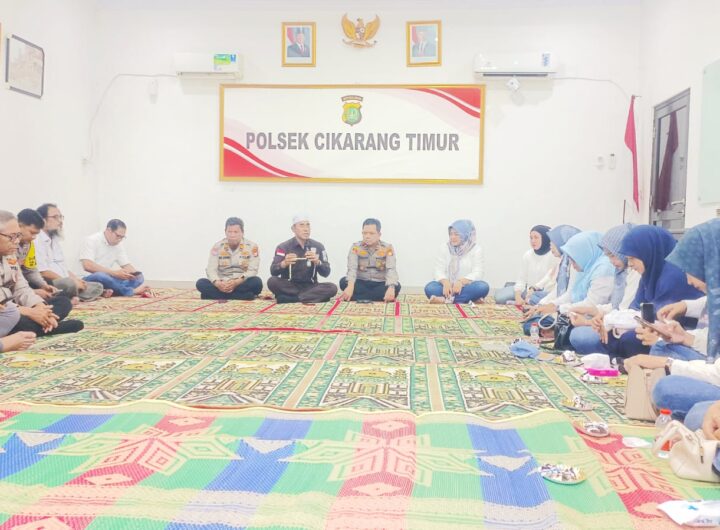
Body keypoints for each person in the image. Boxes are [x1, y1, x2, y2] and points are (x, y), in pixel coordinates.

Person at [623, 219, 720, 419]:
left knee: (667, 389)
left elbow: (716, 373)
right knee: (662, 347)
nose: (688, 280)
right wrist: (685, 338)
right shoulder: (715, 297)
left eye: (690, 269)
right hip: (712, 368)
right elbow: (714, 347)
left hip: (715, 375)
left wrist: (666, 363)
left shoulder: (673, 279)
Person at [0, 210, 83, 339]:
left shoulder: (10, 255)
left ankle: (42, 323)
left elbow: (21, 287)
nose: (16, 241)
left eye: (18, 235)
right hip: (7, 311)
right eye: (11, 237)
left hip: (15, 305)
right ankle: (48, 328)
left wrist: (39, 307)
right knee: (13, 317)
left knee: (63, 302)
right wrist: (30, 312)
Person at [568, 224, 641, 353]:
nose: (611, 261)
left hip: (627, 326)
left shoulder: (635, 271)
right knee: (576, 332)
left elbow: (626, 311)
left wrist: (588, 321)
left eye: (613, 255)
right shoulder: (622, 271)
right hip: (615, 321)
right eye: (608, 256)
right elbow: (616, 306)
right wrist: (593, 311)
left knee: (581, 336)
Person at [34, 203, 104, 302]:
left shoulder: (55, 240)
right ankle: (71, 296)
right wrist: (71, 281)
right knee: (70, 285)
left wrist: (76, 279)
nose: (60, 221)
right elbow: (43, 272)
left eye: (61, 217)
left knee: (97, 286)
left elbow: (64, 267)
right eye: (55, 217)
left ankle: (73, 295)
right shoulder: (36, 240)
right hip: (49, 281)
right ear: (43, 220)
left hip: (64, 280)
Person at [268, 214, 337, 304]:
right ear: (293, 229)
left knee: (332, 288)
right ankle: (311, 297)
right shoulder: (283, 247)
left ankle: (293, 299)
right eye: (301, 225)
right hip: (290, 286)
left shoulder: (318, 246)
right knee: (272, 281)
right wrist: (284, 263)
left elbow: (326, 273)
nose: (306, 229)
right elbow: (273, 271)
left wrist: (318, 262)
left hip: (311, 286)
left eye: (308, 225)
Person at [195, 217, 263, 300]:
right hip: (222, 282)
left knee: (257, 282)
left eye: (236, 232)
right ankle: (243, 296)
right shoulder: (217, 247)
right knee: (200, 283)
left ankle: (214, 295)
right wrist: (217, 283)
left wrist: (236, 282)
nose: (232, 235)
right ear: (225, 232)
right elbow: (211, 269)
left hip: (241, 282)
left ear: (242, 232)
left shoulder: (252, 247)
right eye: (229, 232)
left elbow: (253, 270)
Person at [424, 220, 489, 304]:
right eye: (451, 234)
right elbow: (438, 270)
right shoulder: (444, 247)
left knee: (482, 287)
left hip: (466, 286)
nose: (452, 237)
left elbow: (478, 272)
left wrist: (461, 282)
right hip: (447, 287)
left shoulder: (476, 249)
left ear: (465, 235)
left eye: (456, 234)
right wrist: (445, 282)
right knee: (430, 287)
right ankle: (469, 299)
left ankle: (446, 300)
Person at [79, 219, 149, 297]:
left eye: (122, 237)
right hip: (89, 279)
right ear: (108, 230)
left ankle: (109, 291)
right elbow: (87, 266)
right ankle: (129, 291)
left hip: (109, 278)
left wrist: (134, 274)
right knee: (101, 276)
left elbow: (126, 265)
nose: (120, 239)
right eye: (118, 236)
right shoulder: (91, 240)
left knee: (139, 277)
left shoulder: (118, 244)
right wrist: (114, 273)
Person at [494, 225, 558, 305]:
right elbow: (521, 279)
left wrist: (534, 291)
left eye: (536, 237)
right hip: (527, 290)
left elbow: (550, 282)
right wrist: (518, 297)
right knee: (499, 297)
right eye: (531, 238)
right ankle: (517, 293)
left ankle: (526, 300)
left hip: (542, 293)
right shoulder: (528, 255)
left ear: (545, 238)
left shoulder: (554, 255)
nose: (533, 241)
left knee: (538, 301)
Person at [339, 218, 400, 303]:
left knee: (396, 287)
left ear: (379, 234)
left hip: (380, 283)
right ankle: (378, 297)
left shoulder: (387, 248)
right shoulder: (355, 247)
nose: (367, 236)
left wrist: (391, 288)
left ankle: (359, 297)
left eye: (371, 233)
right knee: (343, 282)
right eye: (364, 233)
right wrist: (350, 286)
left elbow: (391, 269)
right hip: (361, 282)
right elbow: (352, 268)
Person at [16, 208, 62, 301]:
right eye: (32, 233)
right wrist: (33, 292)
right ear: (19, 226)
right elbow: (9, 277)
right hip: (12, 288)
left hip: (21, 284)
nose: (34, 237)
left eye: (36, 234)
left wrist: (43, 285)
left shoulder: (28, 244)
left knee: (61, 299)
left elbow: (30, 270)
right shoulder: (6, 245)